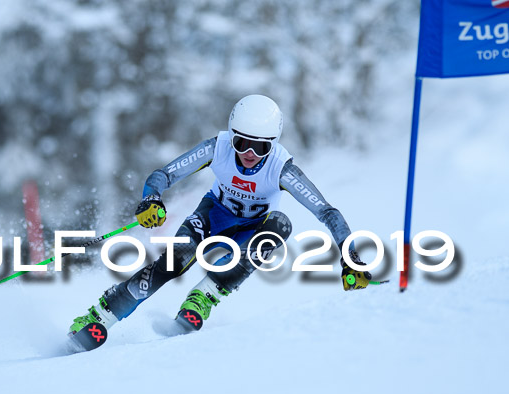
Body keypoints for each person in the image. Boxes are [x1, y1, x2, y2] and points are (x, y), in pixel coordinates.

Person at [68, 95, 371, 350]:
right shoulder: (218, 147)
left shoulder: (282, 168)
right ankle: (99, 316)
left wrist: (351, 257)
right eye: (242, 143)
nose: (249, 154)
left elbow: (327, 212)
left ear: (273, 145)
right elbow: (163, 175)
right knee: (173, 263)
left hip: (250, 231)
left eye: (260, 147)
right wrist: (151, 199)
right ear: (232, 135)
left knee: (280, 224)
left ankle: (204, 297)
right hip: (211, 215)